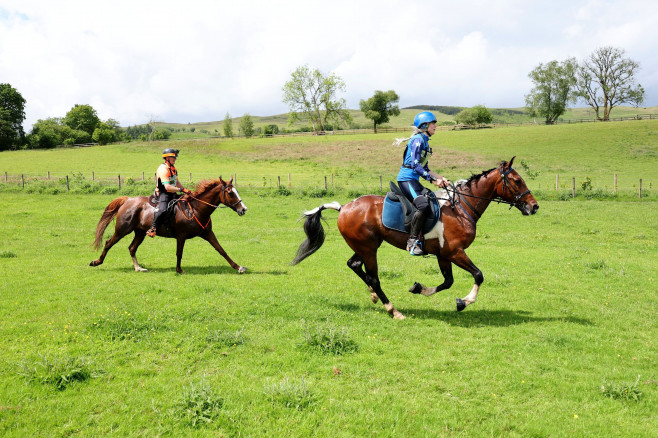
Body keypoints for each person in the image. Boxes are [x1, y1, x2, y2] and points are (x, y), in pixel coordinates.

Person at [396, 111, 449, 255]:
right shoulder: (417, 140)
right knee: (423, 205)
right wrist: (433, 180)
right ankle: (412, 242)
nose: (435, 126)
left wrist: (441, 178)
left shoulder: (424, 142)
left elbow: (425, 168)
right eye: (433, 123)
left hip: (414, 180)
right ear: (425, 125)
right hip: (406, 180)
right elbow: (415, 165)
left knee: (431, 200)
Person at [146, 148, 191, 238]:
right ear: (167, 158)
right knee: (163, 210)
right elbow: (167, 187)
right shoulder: (163, 169)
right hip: (164, 193)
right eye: (173, 157)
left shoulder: (173, 168)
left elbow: (176, 182)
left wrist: (185, 189)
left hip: (172, 192)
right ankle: (153, 228)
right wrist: (181, 190)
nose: (175, 159)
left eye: (175, 157)